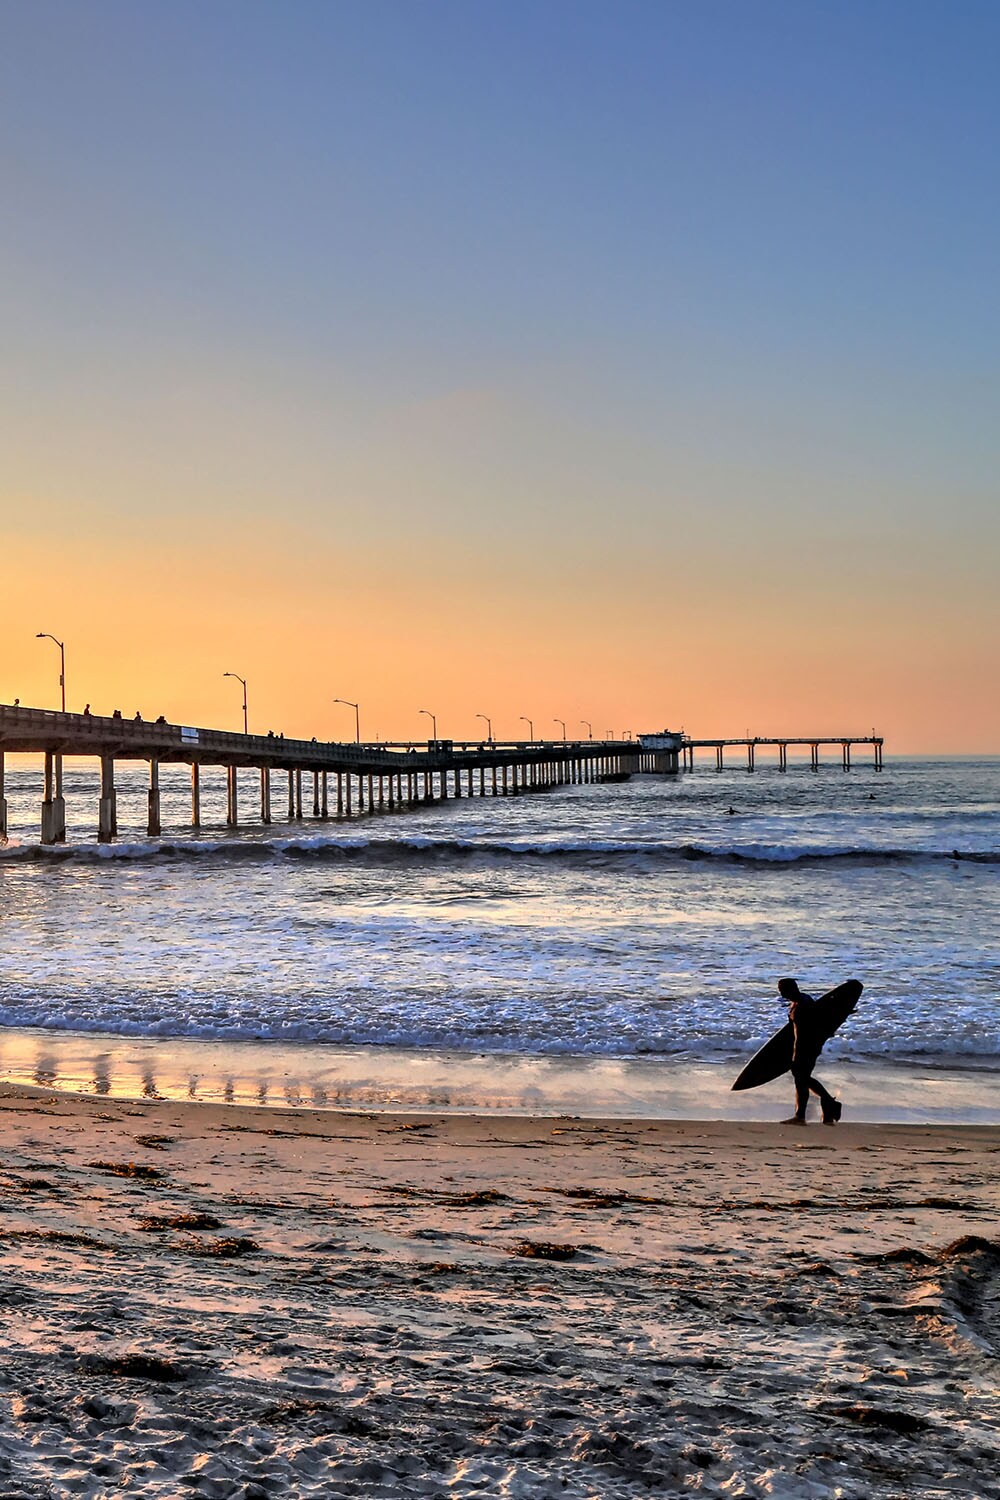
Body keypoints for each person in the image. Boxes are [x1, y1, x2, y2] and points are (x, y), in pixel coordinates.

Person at [778, 977, 842, 1125]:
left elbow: (820, 1023)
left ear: (791, 988)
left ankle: (809, 1112)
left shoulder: (804, 1004)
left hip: (807, 1047)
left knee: (802, 1079)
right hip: (801, 1047)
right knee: (802, 1079)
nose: (781, 995)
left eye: (783, 991)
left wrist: (840, 1013)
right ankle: (824, 1109)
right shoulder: (800, 1001)